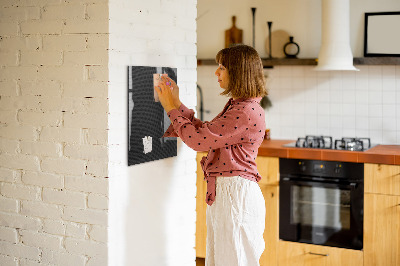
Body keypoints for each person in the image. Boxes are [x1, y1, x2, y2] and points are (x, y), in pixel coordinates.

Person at [155, 44, 267, 266]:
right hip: (230, 195)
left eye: (222, 67)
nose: (217, 73)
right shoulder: (240, 106)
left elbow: (198, 141)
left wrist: (170, 108)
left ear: (238, 72)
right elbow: (206, 133)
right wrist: (176, 103)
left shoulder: (244, 111)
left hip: (235, 197)